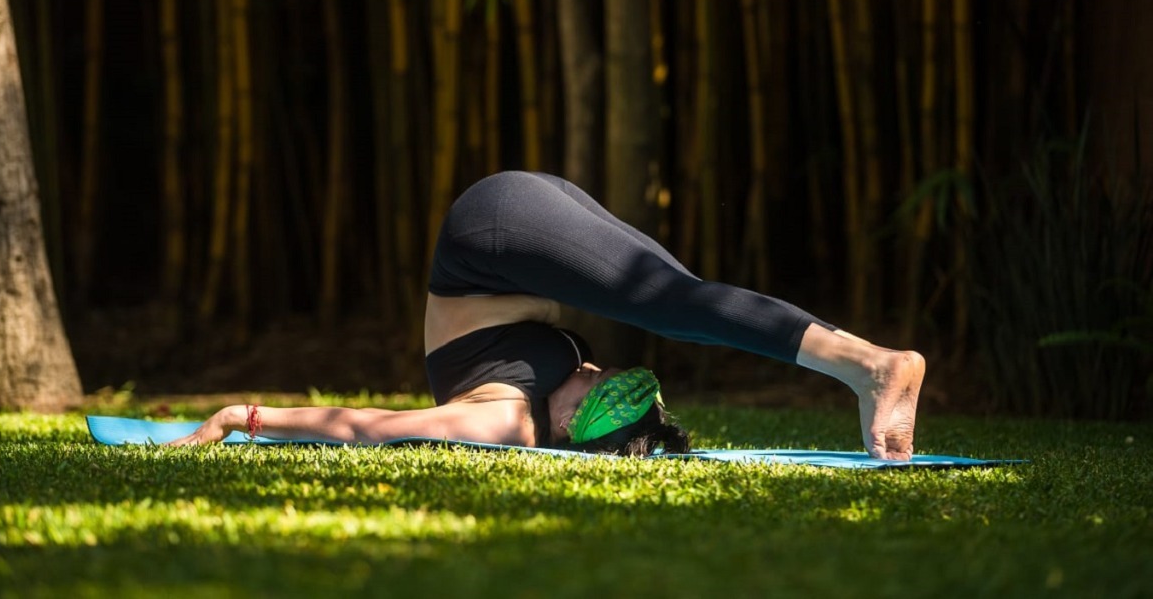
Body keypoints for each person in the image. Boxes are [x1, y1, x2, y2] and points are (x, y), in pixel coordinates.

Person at [169, 171, 925, 459]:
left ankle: (869, 366)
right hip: (517, 226)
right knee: (673, 292)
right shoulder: (558, 401)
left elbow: (365, 425)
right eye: (602, 372)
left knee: (671, 301)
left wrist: (244, 415)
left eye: (591, 387)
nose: (592, 368)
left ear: (564, 429)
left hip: (488, 235)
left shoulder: (502, 423)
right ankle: (864, 366)